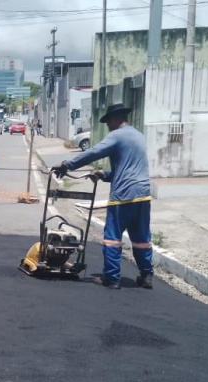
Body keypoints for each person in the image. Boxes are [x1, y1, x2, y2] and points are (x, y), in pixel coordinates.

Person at [54, 103, 154, 290]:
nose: (108, 125)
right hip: (143, 195)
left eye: (108, 122)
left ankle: (111, 278)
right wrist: (104, 175)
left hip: (123, 196)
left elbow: (93, 152)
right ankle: (146, 275)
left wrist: (68, 165)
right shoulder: (138, 136)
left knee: (112, 237)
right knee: (141, 238)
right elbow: (128, 169)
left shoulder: (116, 135)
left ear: (116, 119)